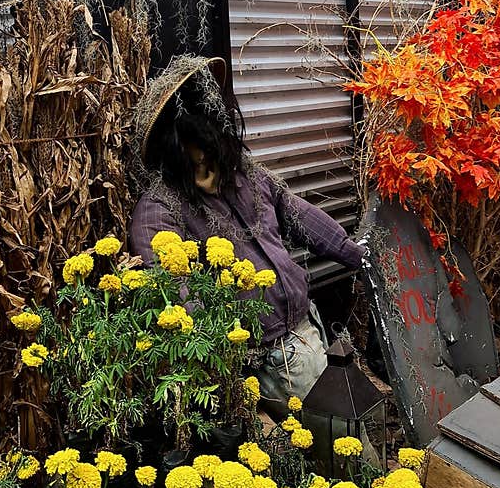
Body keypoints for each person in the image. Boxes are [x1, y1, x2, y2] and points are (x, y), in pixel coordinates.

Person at [129, 55, 367, 431]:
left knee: (345, 430)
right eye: (193, 149)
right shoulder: (160, 210)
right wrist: (225, 371)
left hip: (307, 328)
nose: (205, 158)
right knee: (330, 437)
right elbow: (174, 289)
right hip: (263, 357)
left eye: (208, 143)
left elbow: (300, 215)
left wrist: (357, 255)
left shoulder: (248, 179)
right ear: (173, 149)